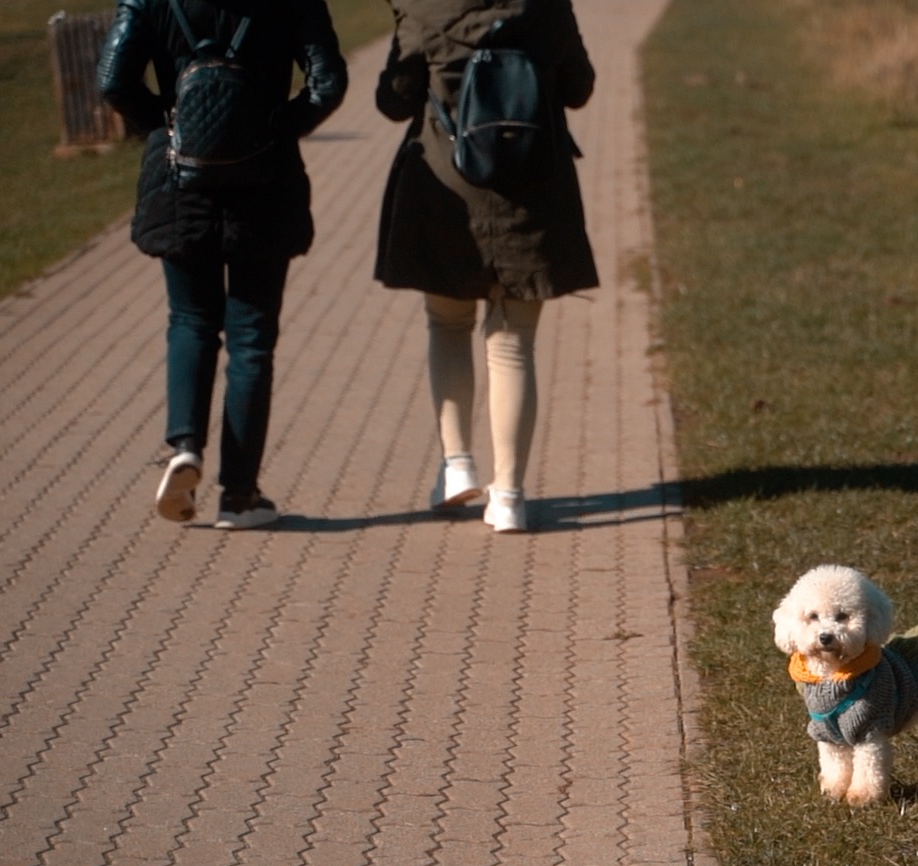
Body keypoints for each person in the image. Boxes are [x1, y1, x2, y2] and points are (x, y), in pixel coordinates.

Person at [99, 0, 347, 529]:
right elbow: (327, 83)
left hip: (180, 180)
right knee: (251, 339)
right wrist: (273, 128)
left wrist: (172, 124)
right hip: (265, 182)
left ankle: (185, 447)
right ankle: (238, 495)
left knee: (191, 319)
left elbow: (113, 80)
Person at [373, 0, 598, 533]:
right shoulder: (546, 6)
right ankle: (510, 496)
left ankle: (457, 465)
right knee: (513, 343)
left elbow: (394, 100)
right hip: (531, 187)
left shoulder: (423, 7)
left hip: (447, 188)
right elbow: (578, 88)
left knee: (447, 324)